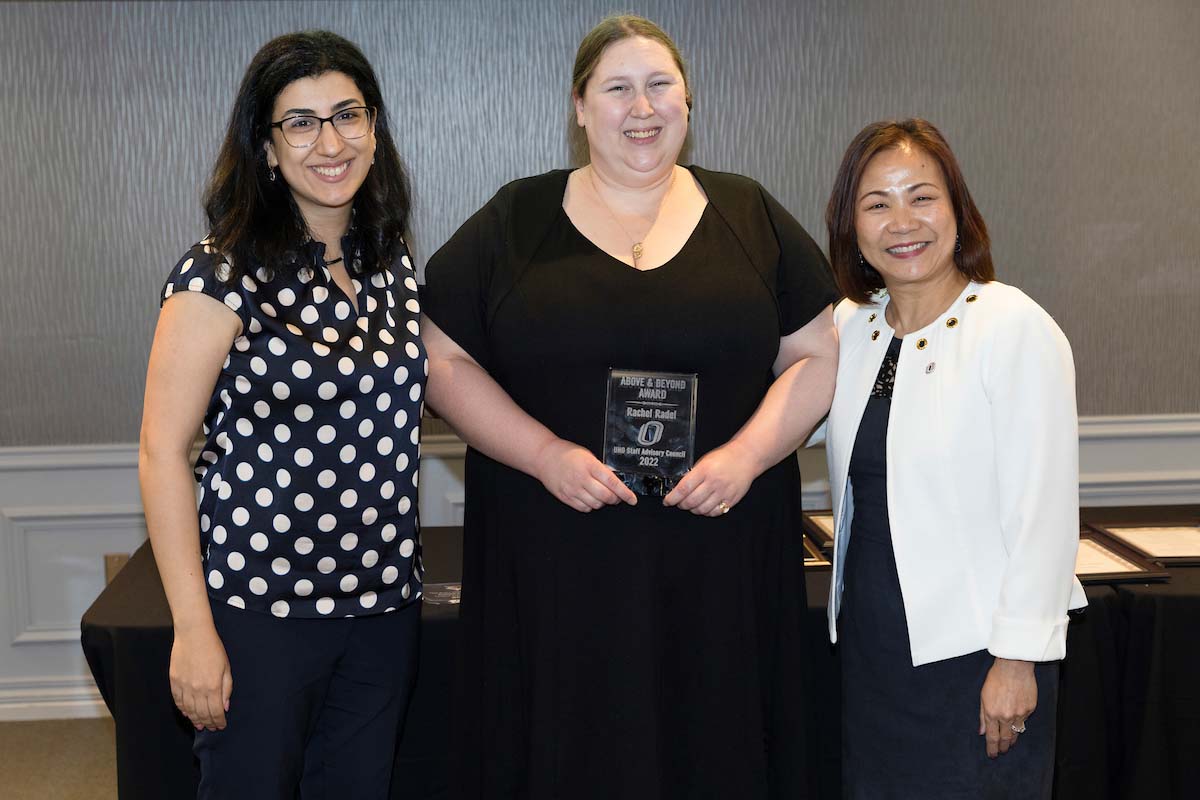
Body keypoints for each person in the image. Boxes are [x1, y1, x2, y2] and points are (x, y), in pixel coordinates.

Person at [421, 13, 839, 799]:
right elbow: (441, 357)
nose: (641, 108)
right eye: (617, 88)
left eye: (660, 87)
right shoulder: (516, 220)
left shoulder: (749, 215)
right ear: (580, 107)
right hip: (558, 558)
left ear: (689, 102)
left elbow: (817, 354)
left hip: (719, 552)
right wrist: (545, 454)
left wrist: (747, 456)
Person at [138, 31, 425, 799]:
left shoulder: (390, 258)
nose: (329, 142)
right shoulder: (218, 271)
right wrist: (194, 630)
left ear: (374, 128)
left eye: (347, 115)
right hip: (259, 613)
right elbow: (162, 452)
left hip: (384, 608)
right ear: (265, 149)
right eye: (300, 122)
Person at [822, 118, 1088, 798]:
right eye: (876, 203)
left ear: (958, 211)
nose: (902, 221)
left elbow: (1044, 510)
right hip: (874, 651)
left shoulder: (1012, 326)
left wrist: (1017, 659)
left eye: (922, 197)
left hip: (976, 660)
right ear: (852, 226)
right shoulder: (853, 328)